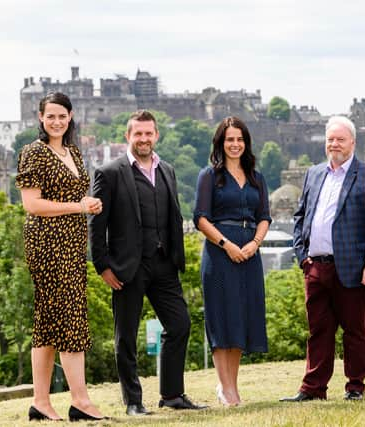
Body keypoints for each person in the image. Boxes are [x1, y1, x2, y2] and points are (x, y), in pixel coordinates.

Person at [90, 110, 205, 416]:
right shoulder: (109, 173)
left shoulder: (167, 169)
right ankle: (133, 402)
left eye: (148, 133)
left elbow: (172, 215)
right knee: (125, 336)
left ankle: (172, 394)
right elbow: (96, 224)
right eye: (137, 134)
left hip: (164, 264)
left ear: (156, 135)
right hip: (127, 267)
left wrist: (176, 256)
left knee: (180, 324)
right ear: (128, 136)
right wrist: (102, 266)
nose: (143, 139)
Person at [281, 116, 365, 402]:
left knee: (354, 330)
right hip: (315, 266)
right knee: (318, 329)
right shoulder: (314, 173)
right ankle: (313, 388)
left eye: (340, 139)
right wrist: (301, 255)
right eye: (331, 139)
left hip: (353, 267)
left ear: (353, 142)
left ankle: (355, 387)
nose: (335, 144)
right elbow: (300, 216)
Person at [17, 92, 105, 422]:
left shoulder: (74, 152)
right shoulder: (33, 153)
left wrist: (87, 203)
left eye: (62, 116)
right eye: (50, 116)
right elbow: (32, 204)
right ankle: (80, 401)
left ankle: (41, 402)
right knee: (67, 319)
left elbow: (72, 195)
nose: (56, 121)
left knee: (50, 322)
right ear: (40, 118)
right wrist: (78, 206)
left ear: (70, 117)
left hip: (71, 242)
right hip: (47, 243)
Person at [194, 116, 271, 406]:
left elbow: (264, 216)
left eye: (240, 139)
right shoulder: (209, 176)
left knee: (241, 317)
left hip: (250, 254)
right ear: (221, 143)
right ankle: (227, 389)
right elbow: (200, 218)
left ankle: (231, 386)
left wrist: (254, 243)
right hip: (219, 253)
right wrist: (227, 245)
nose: (235, 144)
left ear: (246, 143)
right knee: (221, 317)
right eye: (229, 139)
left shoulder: (256, 178)